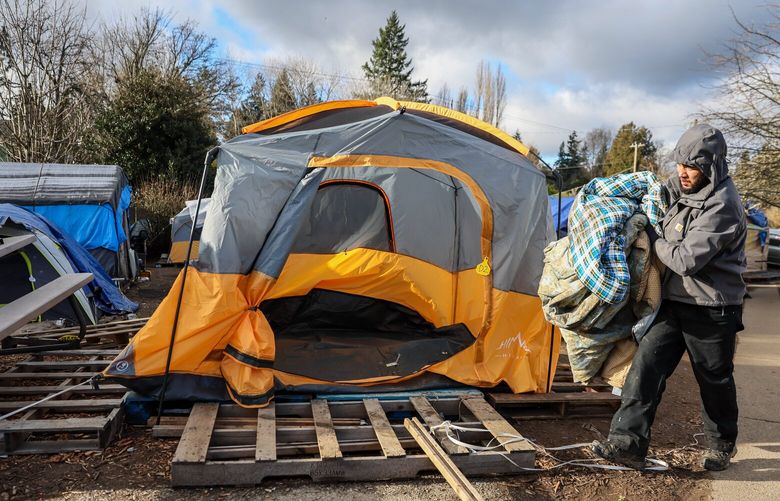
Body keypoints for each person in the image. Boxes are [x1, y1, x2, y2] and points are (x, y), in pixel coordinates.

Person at [591, 124, 746, 471]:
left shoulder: (724, 206)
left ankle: (721, 445)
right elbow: (658, 191)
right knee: (646, 367)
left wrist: (650, 233)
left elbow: (685, 260)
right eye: (680, 163)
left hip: (712, 307)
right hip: (674, 302)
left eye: (692, 167)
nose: (683, 172)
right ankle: (626, 444)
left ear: (712, 167)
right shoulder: (685, 185)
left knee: (713, 379)